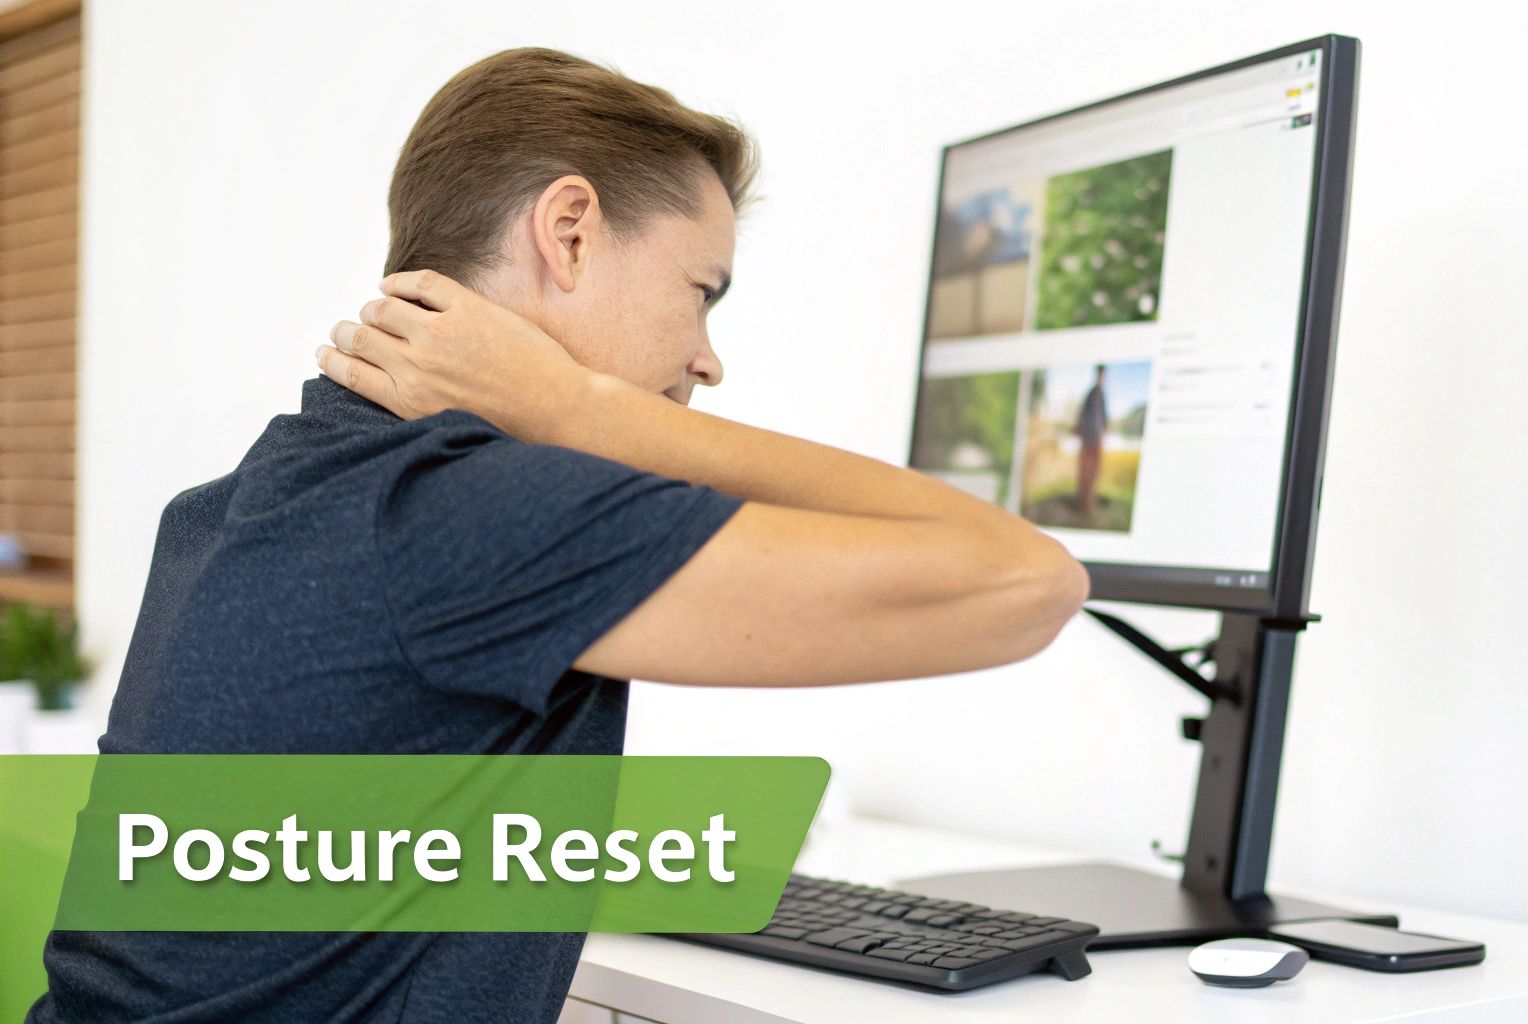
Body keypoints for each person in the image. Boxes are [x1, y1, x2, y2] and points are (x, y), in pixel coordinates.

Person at [29, 47, 1085, 1024]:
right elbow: (1026, 578)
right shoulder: (465, 507)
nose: (706, 359)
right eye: (698, 292)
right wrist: (586, 408)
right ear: (569, 230)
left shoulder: (239, 501)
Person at [1074, 364, 1109, 516]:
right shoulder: (1092, 393)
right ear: (1098, 374)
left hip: (1096, 440)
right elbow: (1082, 416)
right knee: (1086, 471)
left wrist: (1102, 434)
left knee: (1093, 472)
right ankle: (1083, 504)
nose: (1102, 377)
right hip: (1089, 440)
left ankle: (1088, 503)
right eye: (1101, 374)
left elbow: (1104, 419)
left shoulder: (1101, 394)